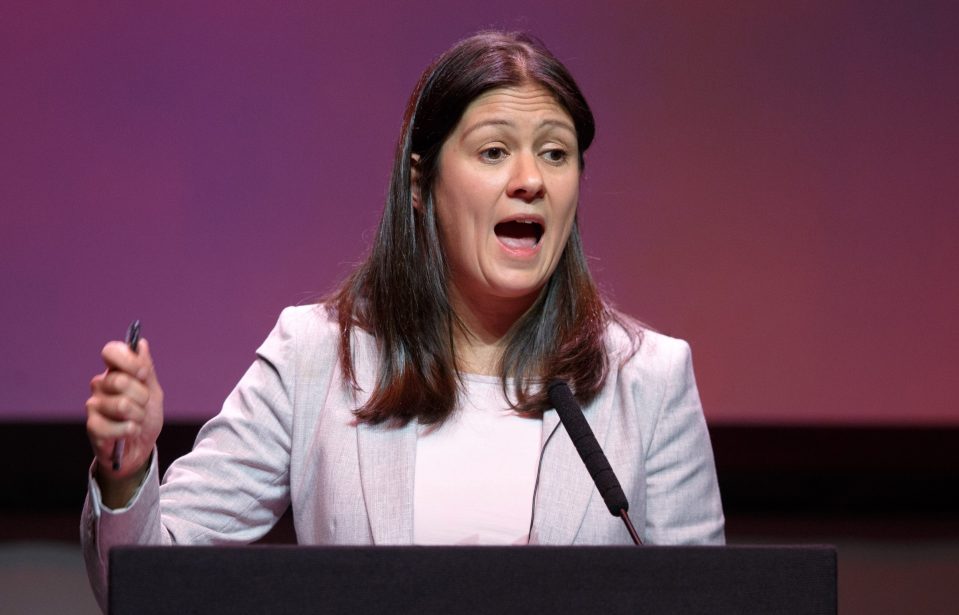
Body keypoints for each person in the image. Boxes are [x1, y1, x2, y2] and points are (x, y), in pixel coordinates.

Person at [82, 30, 725, 610]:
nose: (531, 179)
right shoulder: (316, 358)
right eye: (495, 151)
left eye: (556, 154)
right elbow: (141, 586)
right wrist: (128, 470)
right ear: (421, 183)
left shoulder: (650, 379)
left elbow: (709, 605)